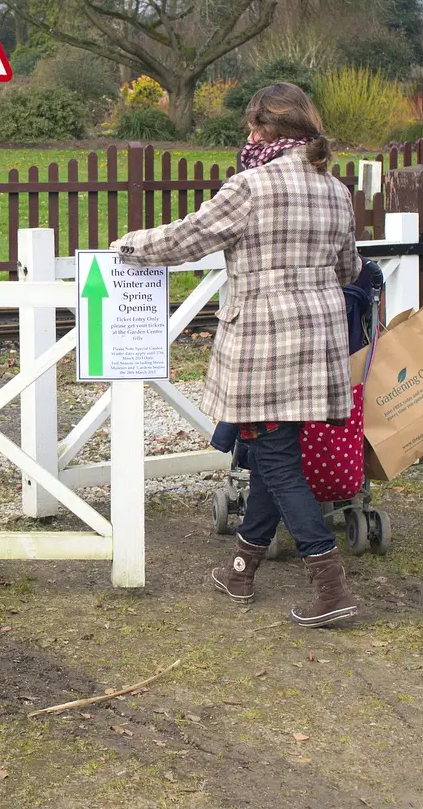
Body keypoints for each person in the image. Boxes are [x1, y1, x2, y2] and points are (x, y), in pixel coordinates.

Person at [111, 83, 361, 627]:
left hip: (264, 344)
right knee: (277, 455)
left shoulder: (251, 186)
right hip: (318, 341)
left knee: (274, 458)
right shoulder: (335, 189)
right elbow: (350, 270)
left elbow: (185, 239)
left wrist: (125, 247)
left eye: (254, 128)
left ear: (272, 132)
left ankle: (331, 585)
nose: (248, 137)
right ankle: (241, 568)